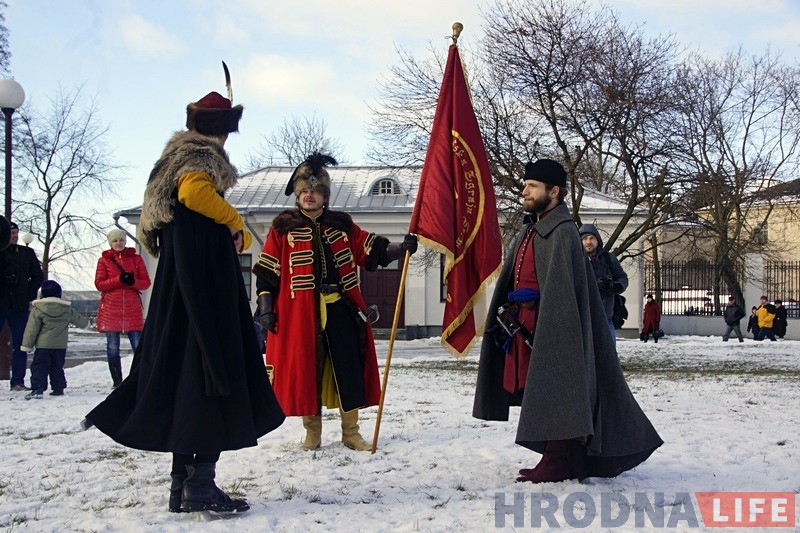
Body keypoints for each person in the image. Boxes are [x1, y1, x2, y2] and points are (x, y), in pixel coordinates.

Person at [83, 73, 285, 514]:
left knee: (184, 373)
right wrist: (233, 220)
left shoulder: (170, 159)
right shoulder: (198, 156)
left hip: (181, 287)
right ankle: (200, 485)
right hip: (205, 285)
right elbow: (194, 193)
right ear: (221, 130)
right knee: (213, 367)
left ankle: (183, 486)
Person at [472, 158, 662, 484]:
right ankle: (558, 455)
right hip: (525, 322)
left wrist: (552, 327)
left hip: (551, 324)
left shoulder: (562, 233)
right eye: (525, 185)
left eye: (532, 186)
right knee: (540, 389)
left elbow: (562, 292)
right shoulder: (533, 229)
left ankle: (558, 460)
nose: (525, 191)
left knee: (556, 387)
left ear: (554, 191)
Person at [253, 152, 418, 452]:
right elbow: (267, 274)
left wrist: (400, 248)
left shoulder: (342, 225)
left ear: (325, 196)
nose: (309, 195)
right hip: (300, 313)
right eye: (304, 191)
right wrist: (266, 310)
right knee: (307, 371)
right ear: (298, 195)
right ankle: (312, 433)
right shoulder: (282, 227)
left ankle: (350, 433)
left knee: (348, 367)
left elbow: (371, 250)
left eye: (315, 191)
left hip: (342, 307)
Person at [94, 228, 151, 388]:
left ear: (125, 241)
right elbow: (99, 284)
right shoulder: (104, 261)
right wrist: (118, 279)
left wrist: (132, 282)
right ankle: (117, 381)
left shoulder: (136, 259)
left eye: (121, 240)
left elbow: (145, 282)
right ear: (110, 243)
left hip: (132, 309)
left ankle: (140, 379)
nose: (118, 243)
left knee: (139, 348)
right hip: (111, 310)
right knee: (113, 348)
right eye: (115, 240)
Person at [20, 280, 89, 399]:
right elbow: (82, 322)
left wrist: (27, 345)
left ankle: (38, 389)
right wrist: (87, 324)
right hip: (60, 346)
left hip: (43, 346)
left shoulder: (38, 309)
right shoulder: (66, 309)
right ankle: (58, 388)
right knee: (57, 367)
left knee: (39, 367)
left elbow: (31, 330)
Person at [1, 221, 44, 391]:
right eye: (11, 233)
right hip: (1, 302)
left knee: (21, 344)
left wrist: (29, 292)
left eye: (16, 233)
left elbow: (38, 276)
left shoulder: (27, 253)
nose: (15, 236)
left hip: (19, 305)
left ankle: (17, 381)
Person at [578, 224, 628, 344]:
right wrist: (595, 284)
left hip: (606, 317)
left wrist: (616, 286)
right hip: (583, 319)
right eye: (585, 239)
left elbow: (622, 277)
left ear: (597, 240)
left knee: (609, 353)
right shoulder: (576, 260)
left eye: (591, 238)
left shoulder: (609, 259)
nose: (588, 242)